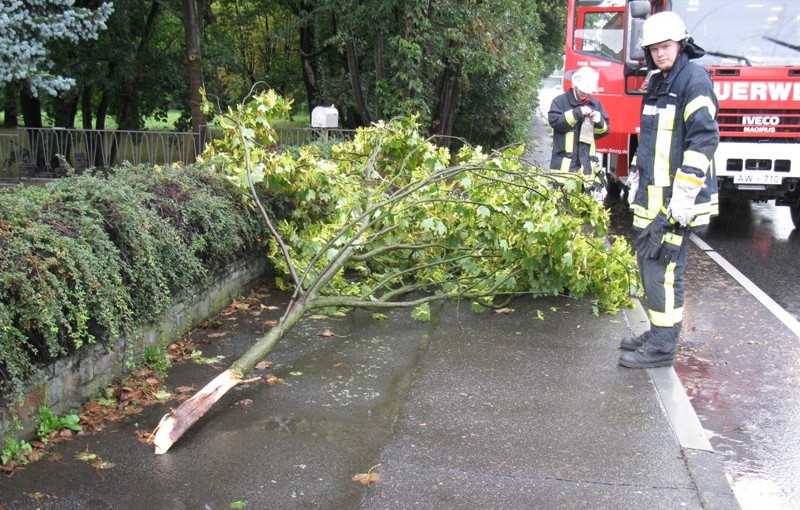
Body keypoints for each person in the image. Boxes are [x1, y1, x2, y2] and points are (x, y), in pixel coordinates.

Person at [619, 11, 719, 368]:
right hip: (652, 196)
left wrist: (682, 200)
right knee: (648, 267)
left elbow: (703, 140)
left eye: (666, 46)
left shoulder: (693, 80)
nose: (660, 53)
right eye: (654, 48)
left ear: (681, 44)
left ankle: (662, 348)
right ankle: (659, 331)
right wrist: (635, 176)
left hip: (677, 201)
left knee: (664, 271)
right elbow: (649, 140)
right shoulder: (658, 81)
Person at [547, 66, 610, 197]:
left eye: (587, 92)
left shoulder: (595, 104)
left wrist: (599, 121)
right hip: (564, 172)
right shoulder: (560, 102)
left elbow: (604, 131)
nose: (584, 94)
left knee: (583, 210)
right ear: (575, 85)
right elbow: (555, 122)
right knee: (562, 209)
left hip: (586, 171)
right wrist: (576, 113)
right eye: (582, 91)